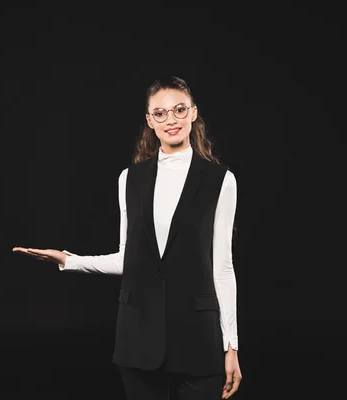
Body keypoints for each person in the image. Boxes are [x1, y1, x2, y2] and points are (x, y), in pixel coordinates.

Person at [13, 76, 242, 399]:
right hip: (138, 340)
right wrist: (68, 260)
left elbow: (222, 267)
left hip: (198, 341)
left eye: (179, 110)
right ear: (149, 121)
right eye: (160, 113)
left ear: (193, 113)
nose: (171, 120)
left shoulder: (221, 180)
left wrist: (230, 345)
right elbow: (128, 259)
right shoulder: (130, 179)